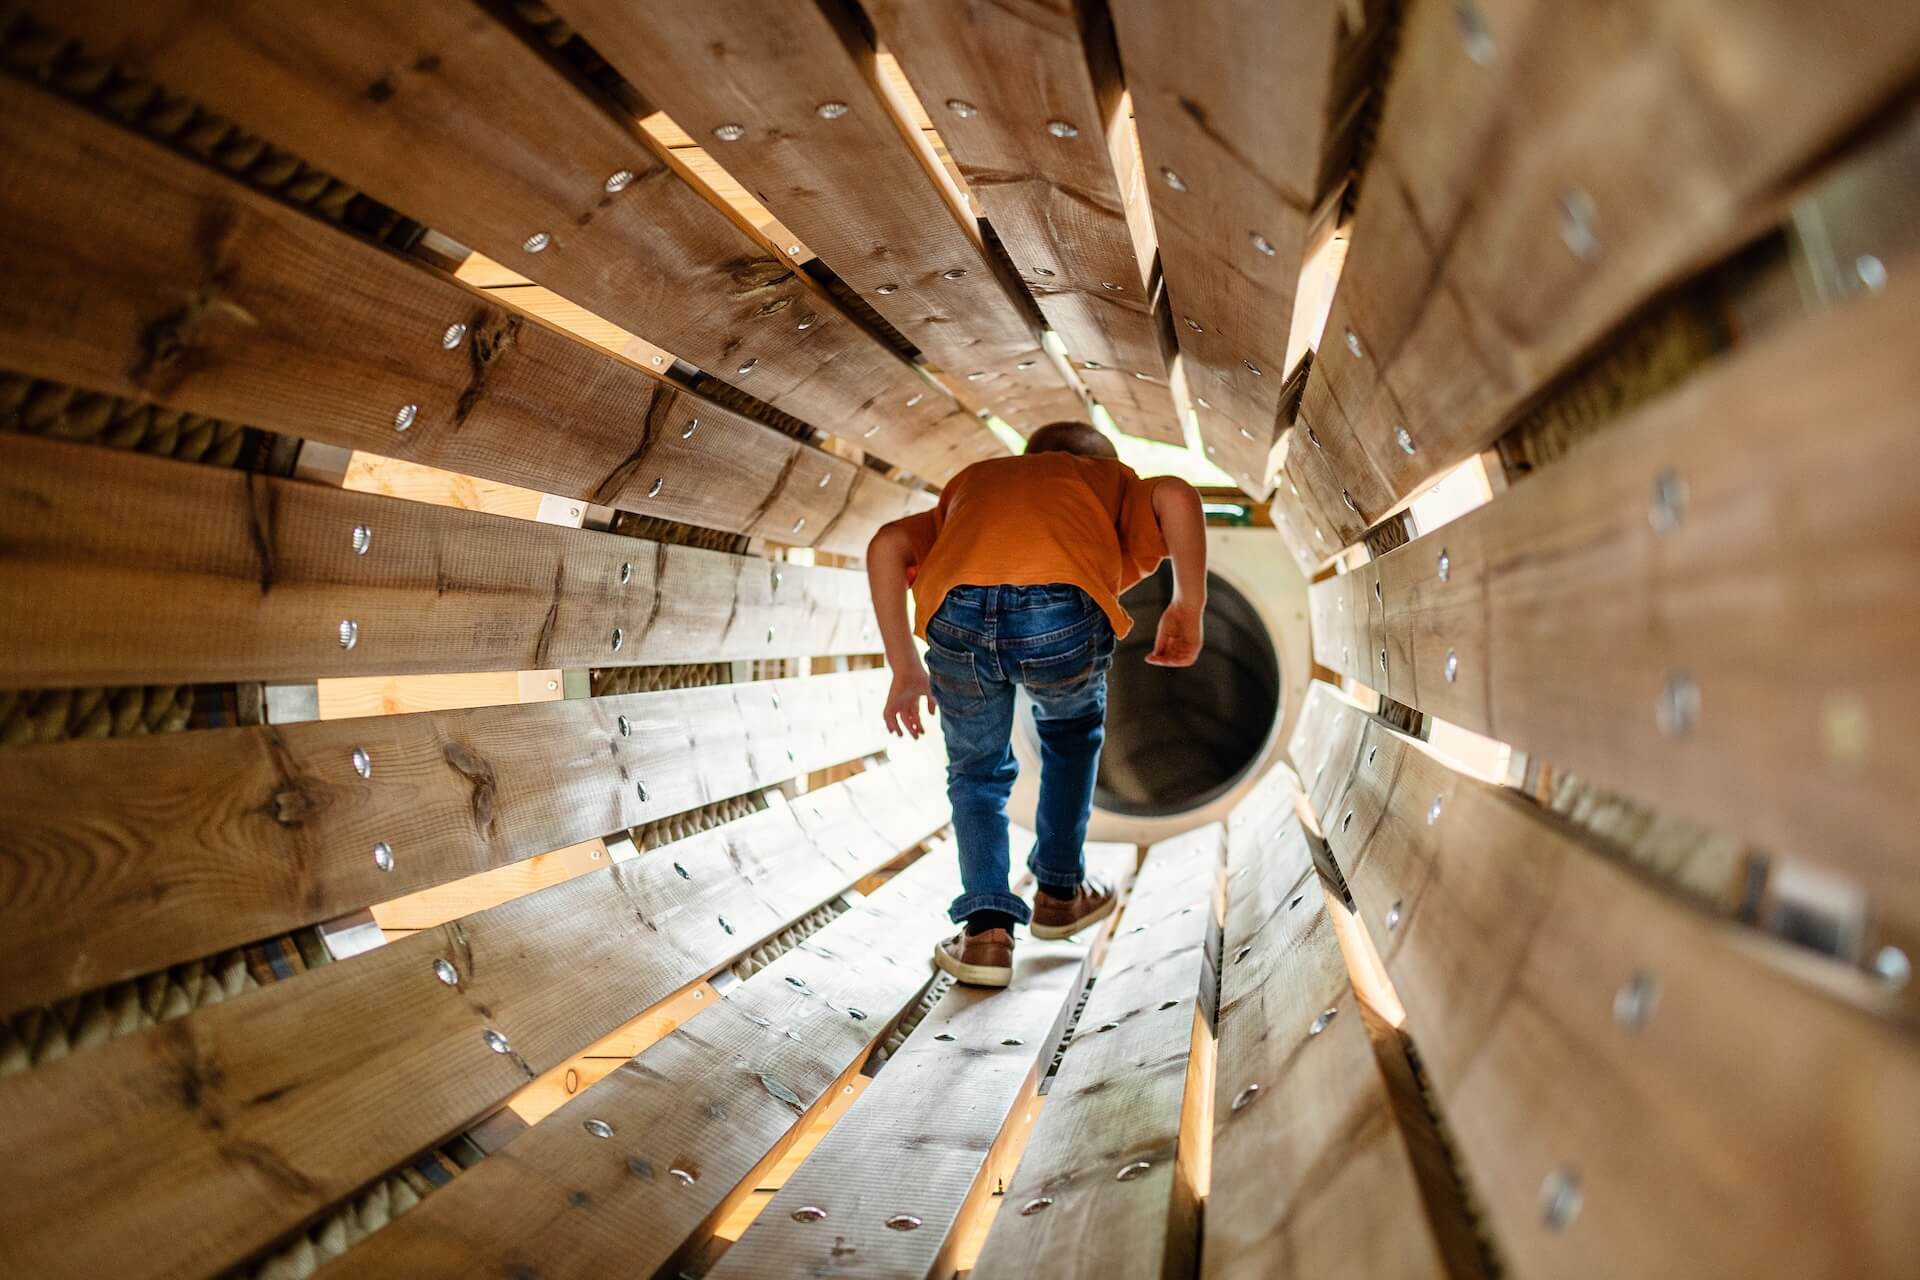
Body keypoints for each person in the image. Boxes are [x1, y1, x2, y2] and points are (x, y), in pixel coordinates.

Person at [865, 421, 1207, 986]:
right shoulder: (1108, 479)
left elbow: (886, 546)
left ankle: (986, 936)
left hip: (955, 613)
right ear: (1103, 459)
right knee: (1071, 740)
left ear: (1031, 457)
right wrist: (1187, 602)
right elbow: (1176, 494)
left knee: (976, 773)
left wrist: (905, 667)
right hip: (1061, 611)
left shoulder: (974, 482)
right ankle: (1058, 893)